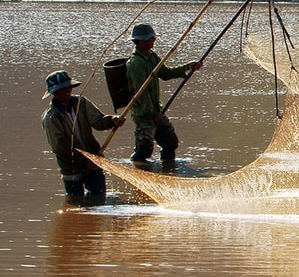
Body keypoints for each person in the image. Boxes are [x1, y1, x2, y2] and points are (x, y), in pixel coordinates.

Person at [41, 70, 125, 204]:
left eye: (69, 87)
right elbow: (60, 147)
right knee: (75, 201)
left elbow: (98, 121)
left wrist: (112, 121)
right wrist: (84, 161)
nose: (68, 91)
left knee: (99, 197)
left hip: (93, 162)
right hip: (71, 168)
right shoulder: (51, 117)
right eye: (63, 89)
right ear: (55, 93)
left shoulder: (81, 103)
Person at [125, 23, 201, 168]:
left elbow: (165, 73)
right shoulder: (136, 63)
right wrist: (153, 115)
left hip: (156, 112)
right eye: (151, 39)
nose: (154, 41)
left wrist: (187, 67)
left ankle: (167, 167)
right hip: (143, 114)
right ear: (142, 41)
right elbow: (140, 93)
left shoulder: (151, 57)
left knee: (170, 143)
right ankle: (141, 172)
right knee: (143, 151)